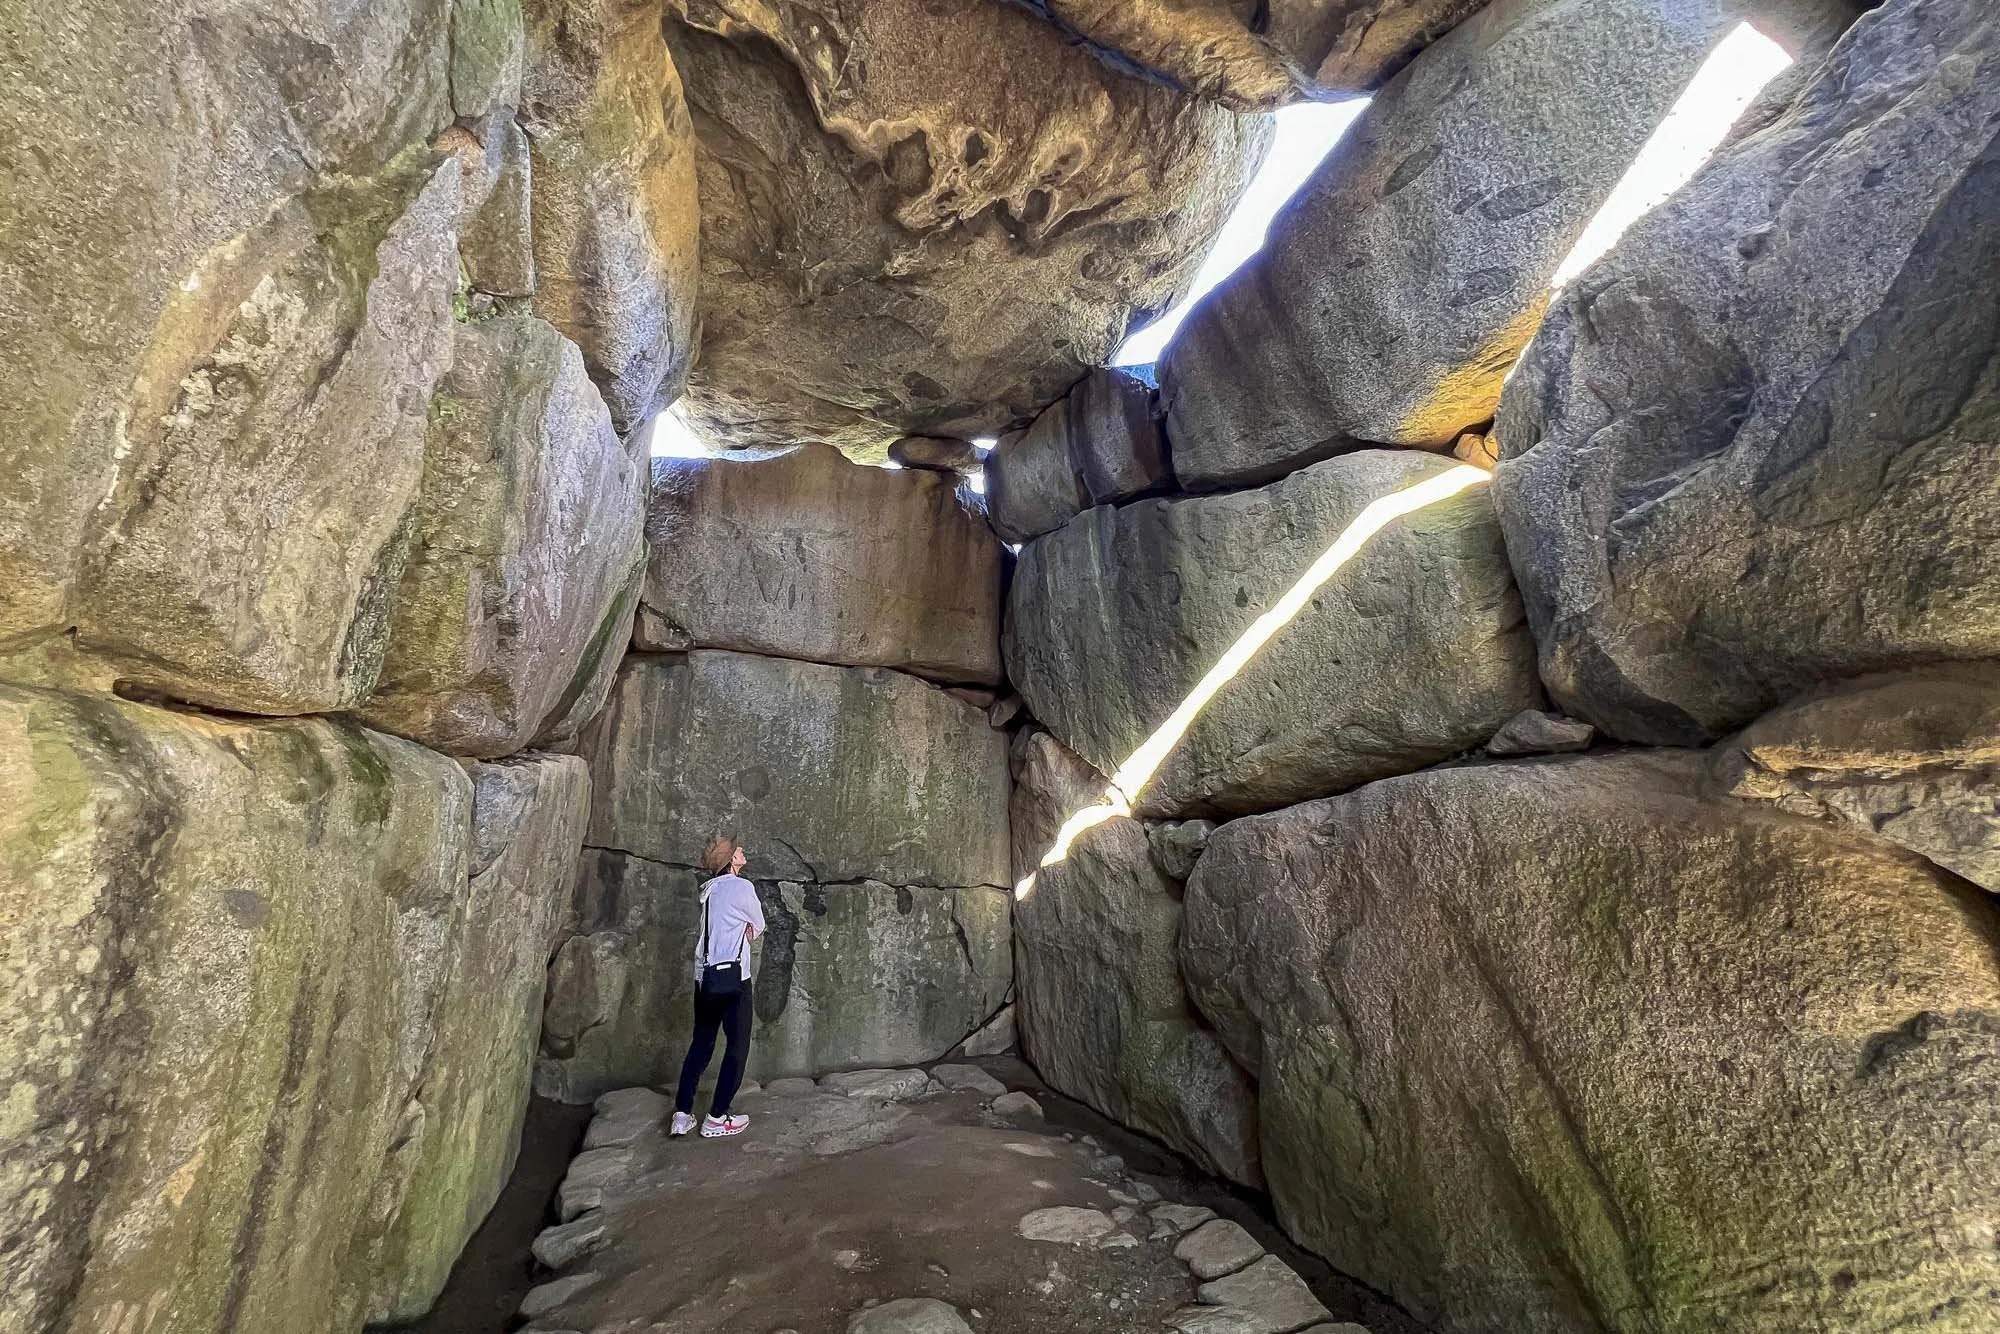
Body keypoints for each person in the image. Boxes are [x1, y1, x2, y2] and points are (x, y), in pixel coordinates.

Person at [670, 836, 766, 1139]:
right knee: (737, 1048)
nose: (741, 849)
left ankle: (682, 1114)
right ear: (730, 861)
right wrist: (747, 930)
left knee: (701, 1043)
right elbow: (758, 925)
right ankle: (717, 1116)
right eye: (736, 849)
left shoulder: (709, 891)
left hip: (704, 977)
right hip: (734, 978)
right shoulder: (742, 887)